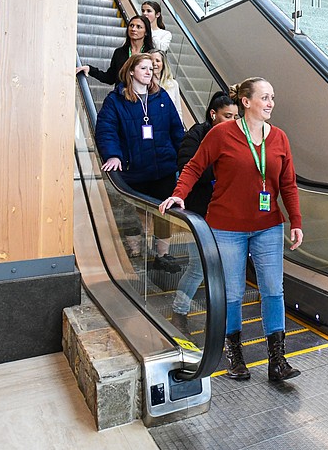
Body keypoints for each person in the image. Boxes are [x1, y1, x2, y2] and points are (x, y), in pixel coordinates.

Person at [160, 77, 304, 382]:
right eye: (265, 98)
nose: (270, 104)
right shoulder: (221, 134)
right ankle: (235, 355)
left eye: (272, 98)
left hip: (268, 226)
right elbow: (194, 166)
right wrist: (179, 193)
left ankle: (277, 361)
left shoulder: (279, 138)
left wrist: (296, 221)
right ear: (246, 102)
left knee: (273, 291)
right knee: (233, 293)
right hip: (227, 227)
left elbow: (288, 184)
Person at [94, 53, 185, 273]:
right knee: (132, 210)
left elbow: (176, 129)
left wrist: (181, 157)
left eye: (151, 68)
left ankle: (162, 254)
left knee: (164, 211)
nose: (149, 71)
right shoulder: (115, 100)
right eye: (143, 68)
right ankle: (135, 251)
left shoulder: (161, 96)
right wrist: (113, 155)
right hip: (133, 169)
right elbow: (106, 131)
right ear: (131, 71)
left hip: (163, 167)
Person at [170, 91, 237, 335]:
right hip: (199, 214)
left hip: (226, 214)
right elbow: (187, 166)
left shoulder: (237, 136)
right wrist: (219, 169)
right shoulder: (197, 134)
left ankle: (218, 318)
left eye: (235, 116)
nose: (232, 121)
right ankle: (179, 312)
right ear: (213, 114)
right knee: (198, 266)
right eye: (227, 115)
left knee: (225, 268)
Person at [77, 15, 153, 85]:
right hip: (122, 96)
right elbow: (110, 78)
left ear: (146, 32)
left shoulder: (151, 53)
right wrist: (90, 69)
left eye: (138, 27)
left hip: (144, 96)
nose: (133, 29)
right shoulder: (119, 52)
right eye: (131, 26)